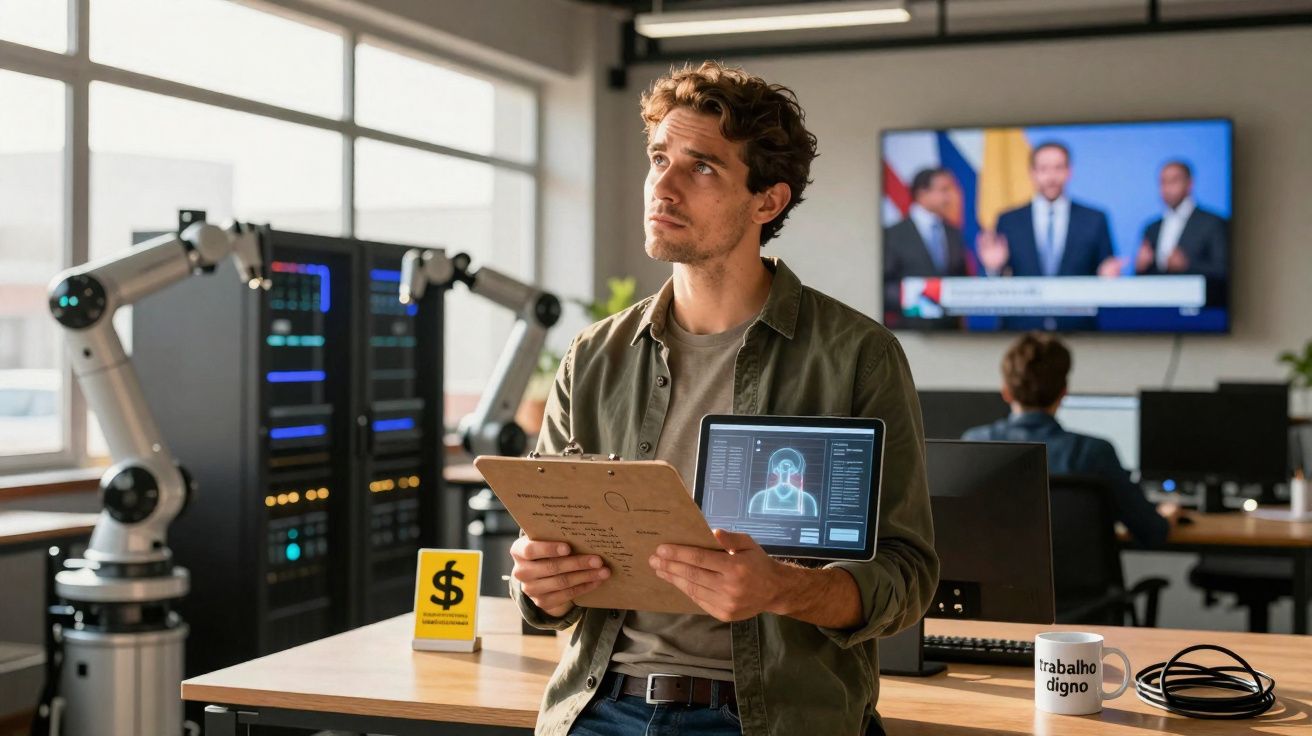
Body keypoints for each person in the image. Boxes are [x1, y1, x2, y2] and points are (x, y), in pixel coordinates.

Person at [508, 61, 938, 736]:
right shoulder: (593, 357)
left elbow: (906, 578)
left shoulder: (859, 356)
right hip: (598, 707)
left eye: (701, 167)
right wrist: (538, 583)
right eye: (659, 159)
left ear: (767, 202)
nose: (663, 186)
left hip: (767, 718)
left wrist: (784, 589)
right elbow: (543, 574)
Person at [962, 332, 1180, 548]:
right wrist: (1169, 514)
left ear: (1006, 392)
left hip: (995, 572)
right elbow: (1152, 532)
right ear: (1063, 392)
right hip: (1077, 573)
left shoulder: (974, 444)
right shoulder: (1095, 452)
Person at [976, 142, 1121, 330]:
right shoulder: (1009, 220)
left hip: (1078, 329)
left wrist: (1107, 279)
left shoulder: (1094, 219)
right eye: (1043, 169)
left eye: (1058, 168)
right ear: (1032, 172)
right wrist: (993, 269)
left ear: (1069, 171)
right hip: (1021, 330)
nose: (1051, 177)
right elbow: (996, 289)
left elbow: (1106, 272)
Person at [882, 167, 969, 329]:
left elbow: (961, 279)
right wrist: (916, 297)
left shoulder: (954, 233)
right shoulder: (892, 234)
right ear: (922, 193)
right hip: (910, 333)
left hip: (952, 333)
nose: (950, 197)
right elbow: (882, 288)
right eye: (944, 190)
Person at [1135, 160, 1228, 280]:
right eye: (1163, 182)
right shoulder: (1151, 228)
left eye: (1174, 181)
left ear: (1189, 184)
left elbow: (1223, 271)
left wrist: (1187, 266)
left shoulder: (1213, 223)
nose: (1167, 188)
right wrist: (1141, 267)